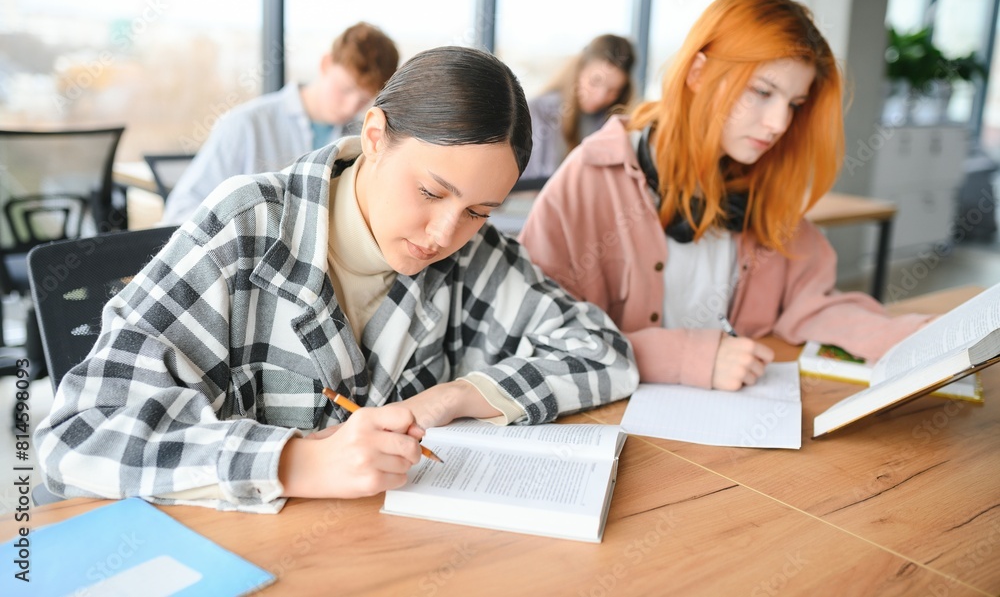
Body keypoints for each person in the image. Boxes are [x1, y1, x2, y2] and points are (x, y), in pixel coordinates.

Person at [35, 46, 639, 513]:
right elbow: (77, 438)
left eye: (479, 211)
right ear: (374, 137)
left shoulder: (469, 250)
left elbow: (601, 350)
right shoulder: (248, 228)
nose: (444, 233)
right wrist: (298, 464)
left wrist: (458, 396)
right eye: (431, 191)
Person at [519, 0, 931, 392]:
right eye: (763, 92)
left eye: (794, 103)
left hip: (739, 424)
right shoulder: (589, 178)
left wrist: (907, 336)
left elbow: (809, 301)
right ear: (698, 73)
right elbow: (541, 335)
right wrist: (688, 358)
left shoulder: (762, 181)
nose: (779, 123)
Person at [161, 22, 400, 225]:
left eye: (363, 100)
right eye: (345, 89)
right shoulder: (247, 124)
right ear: (326, 64)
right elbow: (180, 212)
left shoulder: (363, 138)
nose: (350, 107)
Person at [521, 34, 635, 181]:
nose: (600, 97)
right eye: (595, 81)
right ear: (578, 71)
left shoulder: (613, 123)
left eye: (613, 91)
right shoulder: (538, 111)